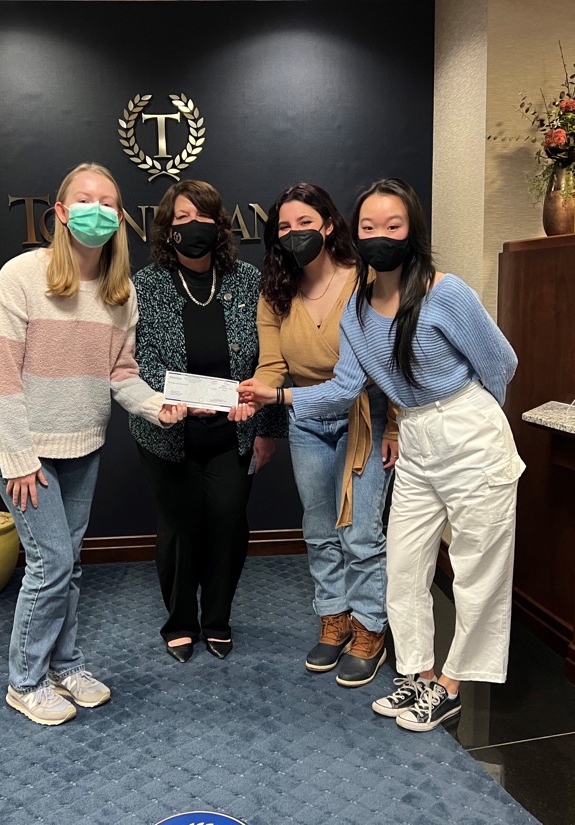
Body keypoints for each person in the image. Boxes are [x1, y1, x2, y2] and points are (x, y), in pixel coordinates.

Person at [240, 178, 524, 731]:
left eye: (392, 226)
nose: (379, 237)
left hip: (469, 431)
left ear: (412, 230)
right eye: (368, 227)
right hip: (417, 438)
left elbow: (502, 364)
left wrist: (475, 420)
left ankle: (450, 685)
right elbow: (344, 388)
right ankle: (415, 676)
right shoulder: (359, 311)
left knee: (475, 572)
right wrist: (278, 395)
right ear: (355, 230)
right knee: (403, 564)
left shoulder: (447, 292)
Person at [0, 162, 186, 726]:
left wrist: (155, 406)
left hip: (81, 445)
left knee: (69, 567)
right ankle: (24, 681)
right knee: (50, 563)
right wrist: (20, 460)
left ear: (119, 218)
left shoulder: (120, 294)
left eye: (108, 202)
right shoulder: (22, 276)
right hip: (23, 448)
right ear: (61, 212)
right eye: (84, 199)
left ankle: (65, 665)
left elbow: (121, 373)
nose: (96, 210)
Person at [130, 179, 286, 663]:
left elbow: (271, 358)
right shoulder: (146, 284)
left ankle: (216, 618)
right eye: (181, 218)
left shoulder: (247, 280)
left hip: (233, 430)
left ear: (219, 226)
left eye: (203, 218)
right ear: (166, 227)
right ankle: (179, 621)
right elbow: (139, 357)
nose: (193, 227)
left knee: (226, 523)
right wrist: (175, 398)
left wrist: (265, 428)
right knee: (178, 526)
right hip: (168, 429)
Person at [253, 182, 398, 688]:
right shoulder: (275, 293)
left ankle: (369, 628)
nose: (294, 234)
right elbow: (272, 367)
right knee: (318, 529)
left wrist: (395, 424)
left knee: (360, 531)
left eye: (304, 224)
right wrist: (251, 394)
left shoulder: (367, 281)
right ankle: (333, 618)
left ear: (329, 225)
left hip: (364, 417)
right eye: (284, 228)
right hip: (307, 420)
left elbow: (393, 359)